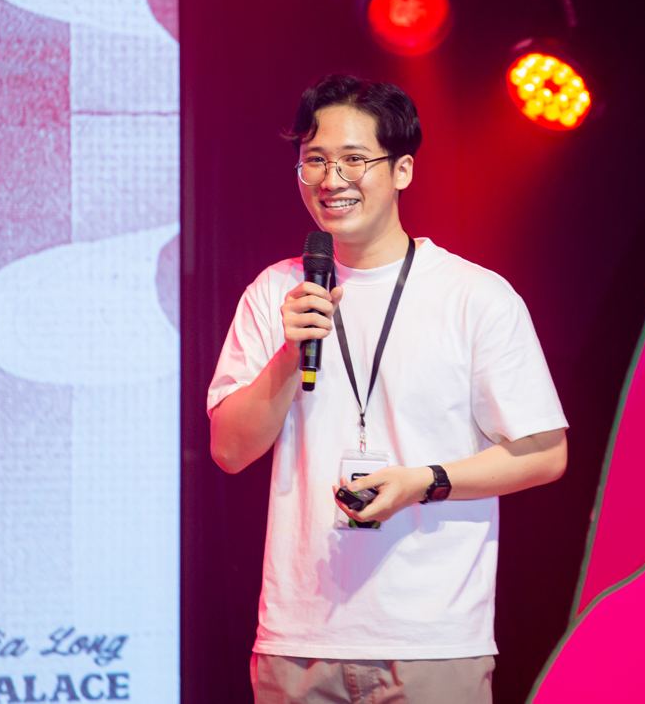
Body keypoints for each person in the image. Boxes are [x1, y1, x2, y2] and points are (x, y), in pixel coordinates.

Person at [207, 74, 568, 703]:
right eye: (315, 160)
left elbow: (545, 453)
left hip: (433, 643)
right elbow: (230, 450)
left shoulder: (474, 296)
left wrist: (423, 482)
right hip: (299, 642)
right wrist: (289, 357)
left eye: (354, 159)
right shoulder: (275, 293)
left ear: (402, 170)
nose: (331, 179)